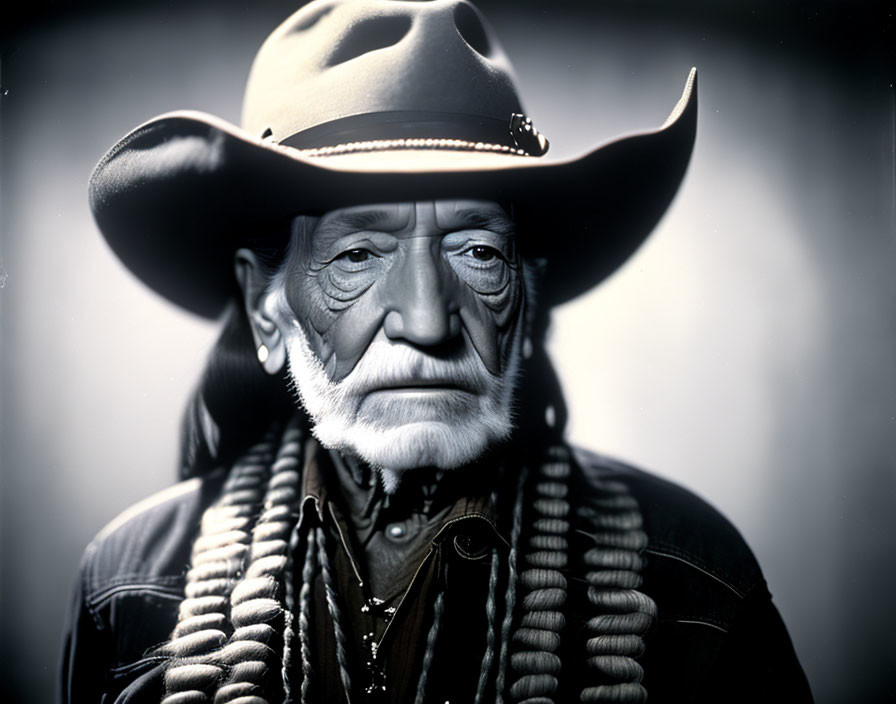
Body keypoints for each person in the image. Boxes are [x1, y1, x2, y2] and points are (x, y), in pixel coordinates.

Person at [59, 1, 812, 702]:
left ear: (526, 291)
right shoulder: (129, 590)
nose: (426, 321)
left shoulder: (693, 585)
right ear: (266, 306)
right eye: (357, 255)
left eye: (478, 249)